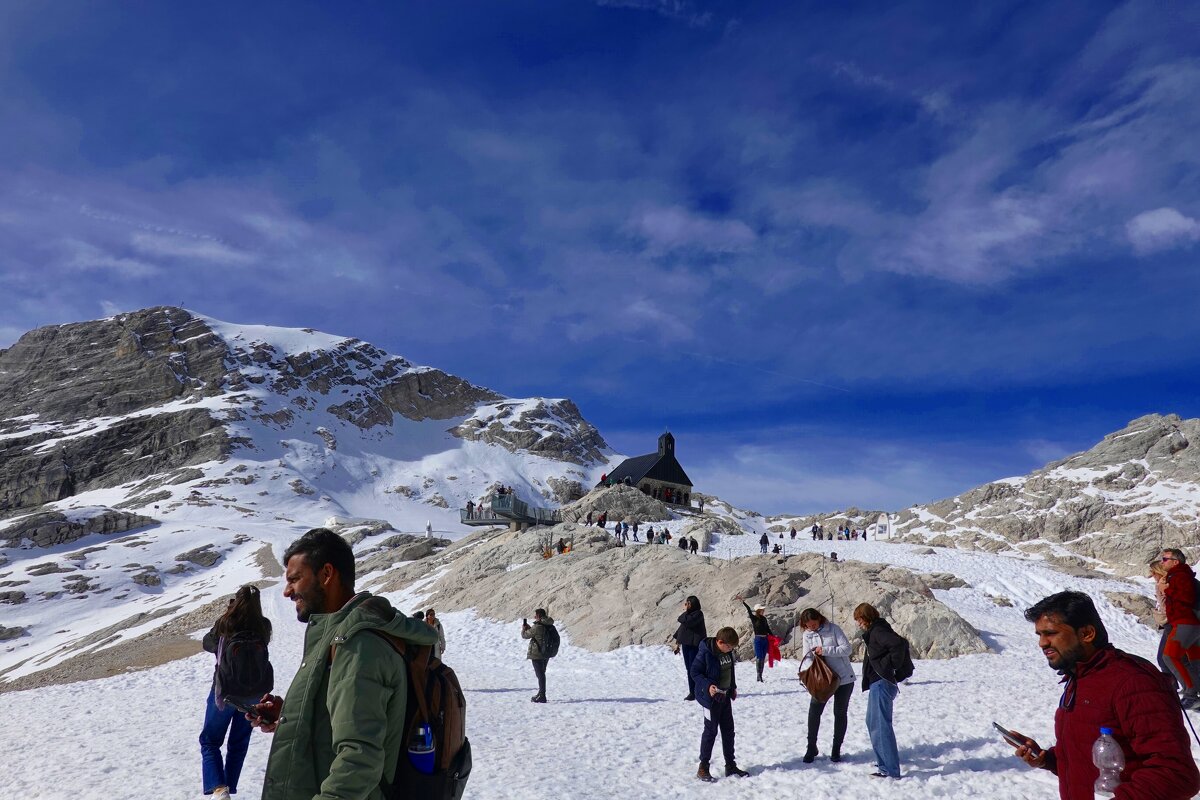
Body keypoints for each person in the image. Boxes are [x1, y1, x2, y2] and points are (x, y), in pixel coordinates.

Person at [252, 528, 438, 800]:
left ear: (327, 574)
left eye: (295, 579)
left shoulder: (356, 644)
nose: (287, 591)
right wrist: (293, 714)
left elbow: (359, 758)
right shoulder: (340, 633)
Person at [1007, 590, 1200, 800]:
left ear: (1087, 634)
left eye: (1051, 633)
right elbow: (1094, 758)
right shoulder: (1081, 677)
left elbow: (1177, 774)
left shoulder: (1133, 683)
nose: (1042, 643)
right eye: (1040, 635)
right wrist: (1047, 759)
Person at [200, 585, 273, 800]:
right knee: (238, 742)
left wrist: (226, 615)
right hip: (254, 693)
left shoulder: (226, 623)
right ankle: (227, 789)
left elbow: (208, 643)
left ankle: (219, 789)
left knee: (210, 740)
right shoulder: (263, 625)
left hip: (226, 692)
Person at [690, 626, 749, 781]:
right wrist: (708, 685)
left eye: (732, 648)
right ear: (720, 641)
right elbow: (694, 672)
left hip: (724, 697)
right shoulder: (705, 653)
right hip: (710, 700)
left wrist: (733, 686)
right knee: (710, 732)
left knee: (728, 731)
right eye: (728, 647)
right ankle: (703, 767)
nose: (730, 650)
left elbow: (730, 670)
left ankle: (730, 765)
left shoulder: (727, 651)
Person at [854, 602, 905, 779]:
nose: (858, 623)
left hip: (882, 682)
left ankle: (890, 770)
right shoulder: (876, 630)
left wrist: (890, 666)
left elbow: (898, 644)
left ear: (865, 617)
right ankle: (884, 763)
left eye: (859, 619)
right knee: (872, 722)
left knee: (881, 725)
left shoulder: (878, 631)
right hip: (878, 683)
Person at [797, 608, 854, 764]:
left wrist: (825, 651)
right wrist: (811, 671)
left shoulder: (833, 629)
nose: (812, 628)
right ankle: (811, 747)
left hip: (843, 679)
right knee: (814, 712)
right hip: (822, 681)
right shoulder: (807, 635)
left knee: (839, 713)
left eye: (814, 624)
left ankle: (836, 749)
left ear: (820, 619)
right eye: (809, 626)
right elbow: (807, 657)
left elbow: (847, 649)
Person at [1159, 548, 1200, 706]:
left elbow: (1186, 597)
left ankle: (1191, 694)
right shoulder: (1180, 575)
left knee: (1169, 656)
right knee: (1195, 661)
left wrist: (1167, 589)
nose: (1163, 561)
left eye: (1165, 559)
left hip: (1185, 623)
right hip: (1192, 625)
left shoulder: (1180, 575)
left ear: (1175, 562)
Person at [675, 596, 707, 700]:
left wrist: (684, 612)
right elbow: (682, 629)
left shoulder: (698, 614)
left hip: (695, 646)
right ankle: (692, 692)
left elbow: (688, 622)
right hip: (687, 645)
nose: (686, 605)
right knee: (689, 669)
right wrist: (677, 642)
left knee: (695, 669)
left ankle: (699, 690)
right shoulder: (688, 615)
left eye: (687, 603)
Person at [522, 608, 555, 703]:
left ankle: (542, 695)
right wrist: (530, 628)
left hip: (537, 653)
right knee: (542, 673)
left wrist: (524, 629)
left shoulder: (537, 627)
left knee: (540, 674)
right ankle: (540, 693)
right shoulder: (549, 625)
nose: (534, 617)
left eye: (536, 616)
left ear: (539, 616)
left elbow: (525, 635)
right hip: (546, 653)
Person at [738, 596, 773, 682]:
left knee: (763, 657)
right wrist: (743, 601)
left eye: (763, 609)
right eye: (761, 610)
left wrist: (773, 636)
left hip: (765, 640)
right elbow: (749, 610)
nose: (763, 611)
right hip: (758, 640)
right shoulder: (754, 618)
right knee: (759, 657)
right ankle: (758, 675)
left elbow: (768, 629)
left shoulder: (764, 619)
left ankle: (760, 675)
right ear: (758, 611)